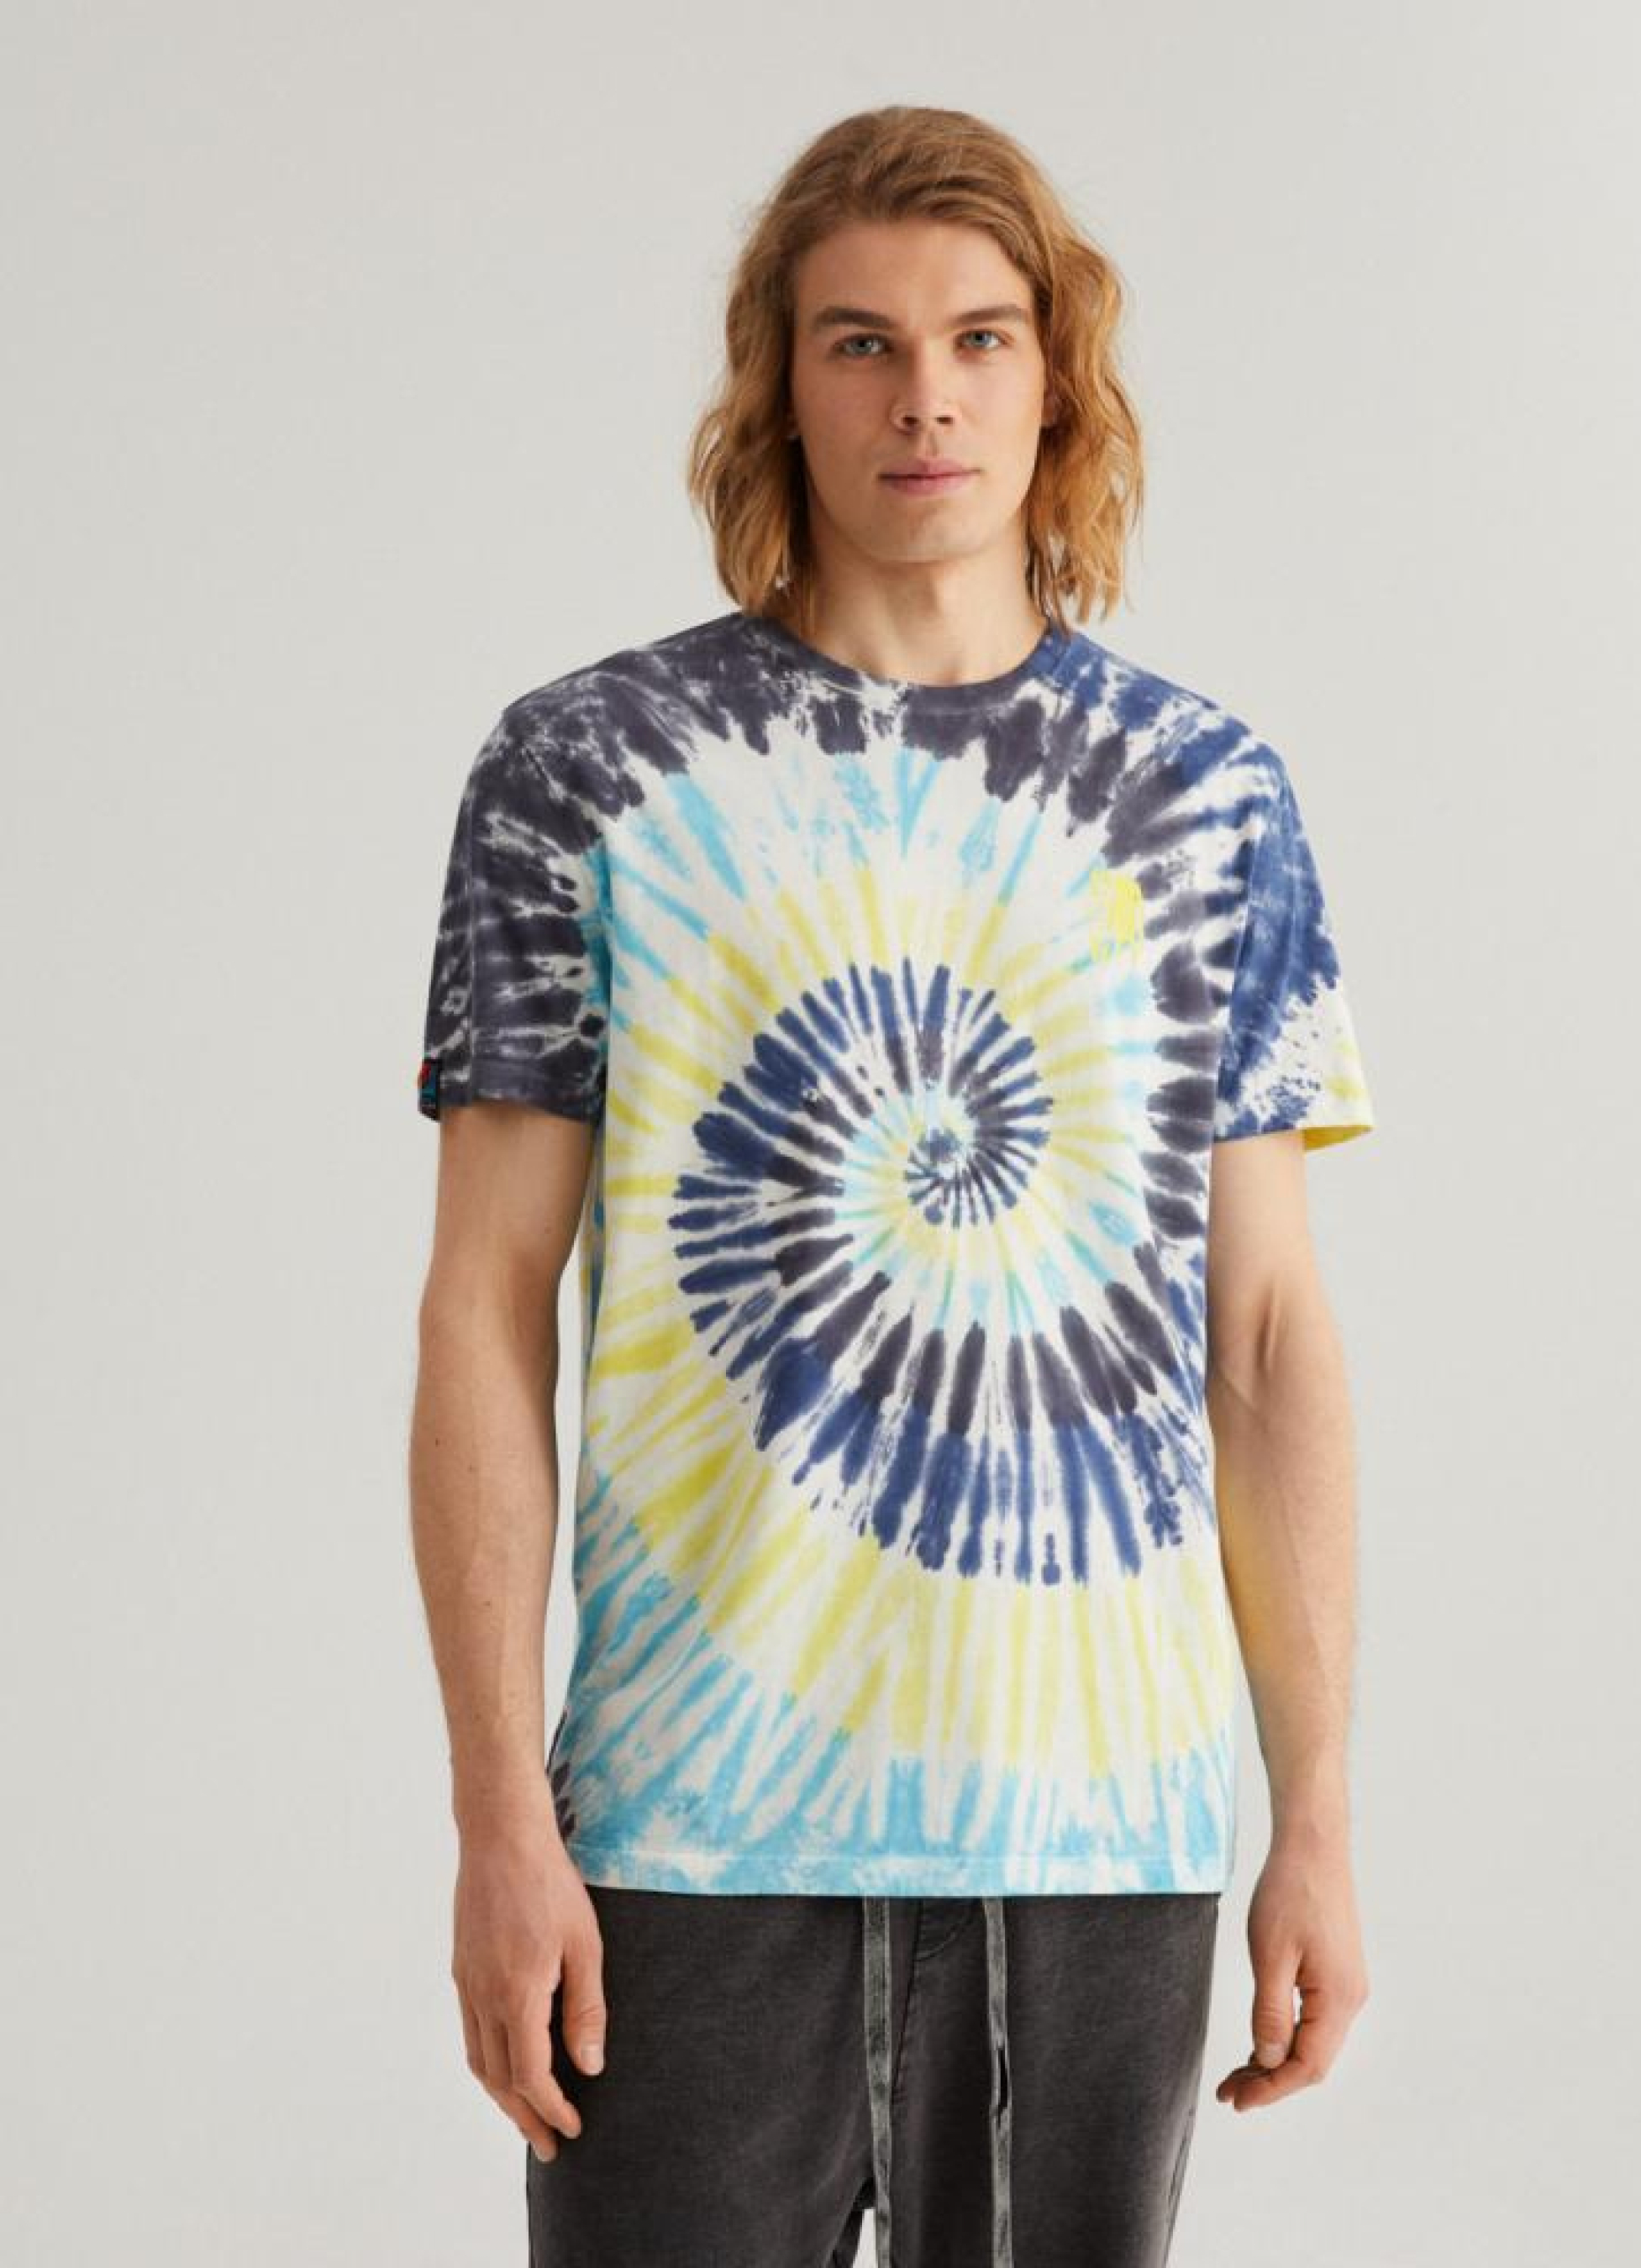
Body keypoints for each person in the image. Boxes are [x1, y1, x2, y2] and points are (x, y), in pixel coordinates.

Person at [408, 102, 1375, 2268]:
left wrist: (1312, 1811)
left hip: (1097, 1836)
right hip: (684, 1831)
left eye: (977, 338)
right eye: (860, 343)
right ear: (781, 385)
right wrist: (494, 1816)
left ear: (1056, 380)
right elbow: (482, 1306)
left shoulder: (1210, 798)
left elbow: (1266, 1336)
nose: (924, 396)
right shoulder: (588, 772)